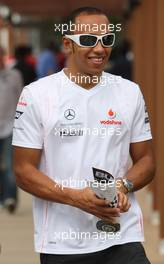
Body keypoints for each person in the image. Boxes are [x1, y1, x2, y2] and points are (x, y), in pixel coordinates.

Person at [12, 6, 155, 264]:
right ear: (68, 44)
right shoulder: (37, 95)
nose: (99, 49)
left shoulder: (130, 92)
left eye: (106, 40)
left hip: (123, 237)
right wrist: (77, 198)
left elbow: (146, 161)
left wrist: (121, 186)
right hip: (62, 244)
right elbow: (23, 170)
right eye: (88, 40)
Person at [0, 46, 23, 213]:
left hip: (9, 126)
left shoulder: (14, 75)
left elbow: (21, 100)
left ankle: (10, 198)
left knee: (9, 165)